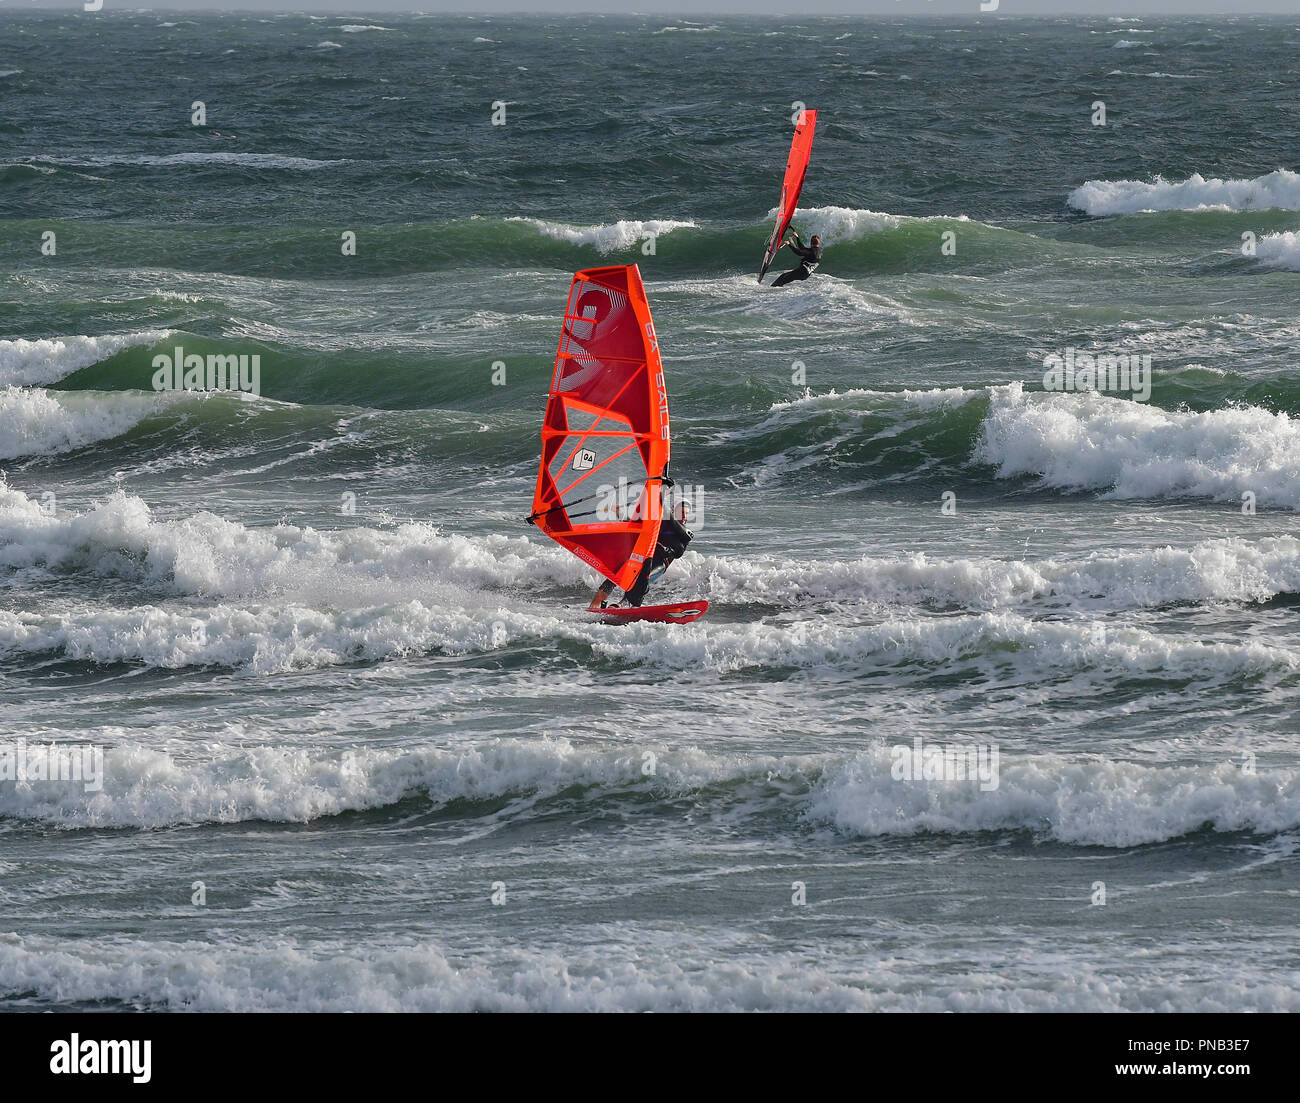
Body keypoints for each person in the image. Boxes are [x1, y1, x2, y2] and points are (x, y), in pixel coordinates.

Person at [589, 509, 694, 610]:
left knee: (640, 580)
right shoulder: (661, 523)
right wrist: (620, 513)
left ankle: (623, 605)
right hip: (642, 557)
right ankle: (594, 606)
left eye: (686, 513)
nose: (684, 516)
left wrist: (666, 550)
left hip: (659, 563)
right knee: (614, 577)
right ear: (674, 511)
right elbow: (635, 524)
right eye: (681, 512)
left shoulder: (684, 535)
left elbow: (678, 553)